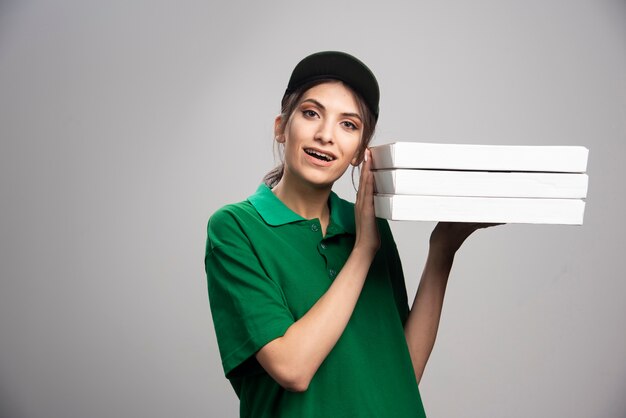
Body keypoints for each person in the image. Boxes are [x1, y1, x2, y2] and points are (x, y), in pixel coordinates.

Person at [205, 51, 494, 417]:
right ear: (281, 126)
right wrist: (362, 252)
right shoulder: (236, 228)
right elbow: (292, 368)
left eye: (349, 124)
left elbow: (402, 372)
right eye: (311, 113)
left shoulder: (369, 226)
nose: (326, 136)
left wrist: (443, 250)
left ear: (360, 151)